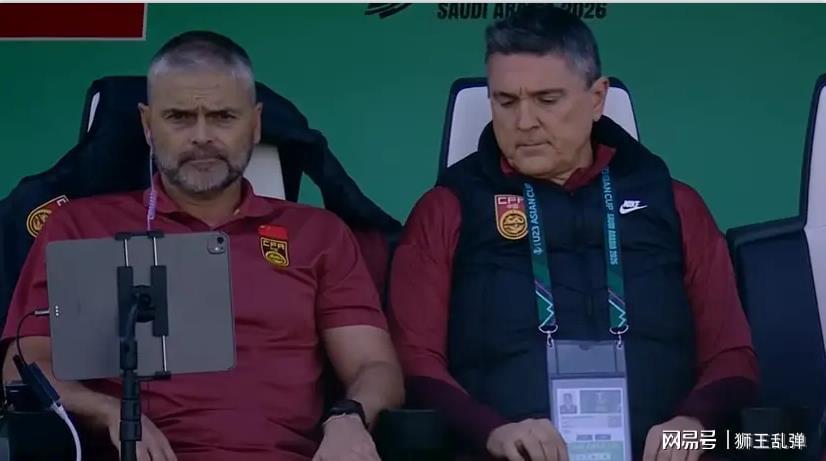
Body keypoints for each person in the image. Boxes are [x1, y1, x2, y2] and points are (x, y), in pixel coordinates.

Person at [1, 31, 403, 461]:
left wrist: (349, 416)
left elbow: (375, 366)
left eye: (223, 117)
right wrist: (109, 411)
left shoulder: (317, 234)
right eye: (179, 117)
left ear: (255, 124)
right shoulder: (82, 226)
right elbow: (23, 366)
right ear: (147, 125)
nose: (202, 136)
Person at [388, 5, 757, 461]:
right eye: (505, 101)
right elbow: (414, 359)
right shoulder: (446, 208)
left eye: (547, 100)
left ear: (597, 98)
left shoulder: (676, 203)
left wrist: (692, 425)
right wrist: (492, 432)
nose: (524, 122)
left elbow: (733, 355)